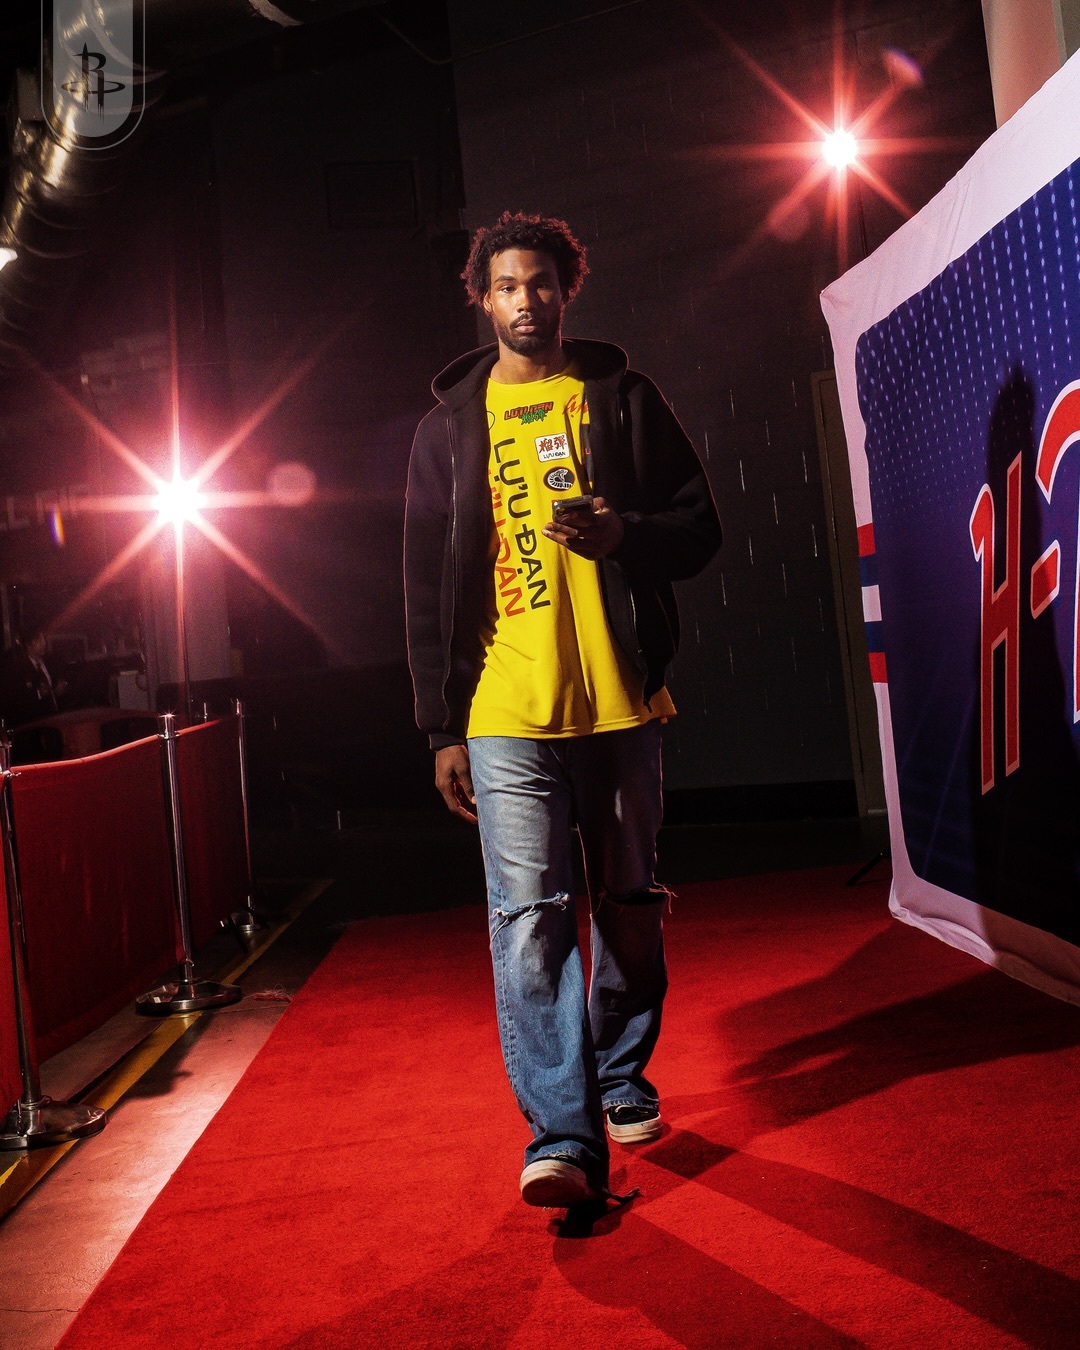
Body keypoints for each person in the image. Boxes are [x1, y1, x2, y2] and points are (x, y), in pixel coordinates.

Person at [404, 211, 721, 1209]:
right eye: (507, 285)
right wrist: (441, 725)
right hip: (504, 706)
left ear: (564, 289)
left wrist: (625, 534)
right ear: (482, 298)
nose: (525, 300)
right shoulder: (447, 429)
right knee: (529, 920)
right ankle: (564, 1137)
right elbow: (421, 586)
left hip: (619, 701)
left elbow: (699, 528)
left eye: (541, 282)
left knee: (628, 902)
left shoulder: (621, 399)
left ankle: (620, 1075)